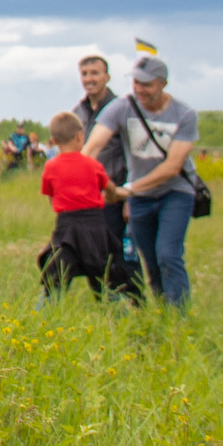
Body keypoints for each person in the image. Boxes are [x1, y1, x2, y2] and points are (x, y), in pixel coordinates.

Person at [84, 55, 199, 308]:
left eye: (146, 84)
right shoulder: (123, 107)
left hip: (175, 192)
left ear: (163, 84)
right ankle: (164, 314)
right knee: (151, 261)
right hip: (140, 199)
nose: (139, 89)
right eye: (136, 82)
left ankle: (179, 320)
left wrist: (128, 189)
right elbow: (93, 146)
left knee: (168, 254)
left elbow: (172, 167)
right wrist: (80, 178)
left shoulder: (184, 114)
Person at [69, 54, 141, 298]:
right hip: (88, 198)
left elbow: (133, 156)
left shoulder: (121, 109)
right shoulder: (78, 112)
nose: (90, 79)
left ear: (106, 77)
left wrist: (130, 197)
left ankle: (136, 308)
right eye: (85, 74)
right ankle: (106, 305)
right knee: (93, 255)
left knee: (123, 258)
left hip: (115, 195)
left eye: (95, 73)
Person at [38, 112, 116, 297]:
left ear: (54, 141)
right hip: (94, 224)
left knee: (56, 276)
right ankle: (119, 313)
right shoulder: (92, 164)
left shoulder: (51, 167)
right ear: (80, 136)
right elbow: (109, 188)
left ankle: (45, 311)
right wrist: (112, 197)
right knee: (101, 276)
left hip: (67, 225)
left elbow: (51, 197)